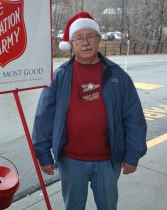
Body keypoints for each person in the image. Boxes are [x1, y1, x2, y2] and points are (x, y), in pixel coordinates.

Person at [32, 11, 147, 210]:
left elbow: (134, 117)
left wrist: (132, 154)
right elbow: (44, 118)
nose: (85, 42)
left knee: (108, 206)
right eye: (79, 38)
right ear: (72, 43)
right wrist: (43, 155)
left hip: (108, 161)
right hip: (70, 161)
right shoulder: (59, 77)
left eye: (90, 36)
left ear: (99, 39)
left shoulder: (118, 76)